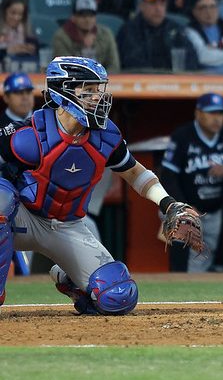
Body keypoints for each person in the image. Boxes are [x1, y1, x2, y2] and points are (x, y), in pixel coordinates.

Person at [0, 56, 203, 312]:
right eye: (89, 90)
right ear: (63, 92)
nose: (98, 97)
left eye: (98, 90)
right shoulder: (28, 134)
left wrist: (169, 203)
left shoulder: (106, 135)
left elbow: (134, 173)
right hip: (23, 219)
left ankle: (69, 279)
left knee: (118, 297)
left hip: (66, 227)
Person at [160, 93, 223, 272]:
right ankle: (175, 285)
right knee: (181, 249)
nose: (217, 118)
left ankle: (194, 296)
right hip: (185, 207)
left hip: (213, 210)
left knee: (202, 259)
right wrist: (182, 207)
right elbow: (168, 177)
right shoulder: (182, 136)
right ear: (198, 113)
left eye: (221, 113)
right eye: (211, 113)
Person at [117, 0, 198, 71]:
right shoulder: (129, 30)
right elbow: (132, 63)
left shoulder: (175, 29)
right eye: (153, 3)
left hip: (175, 81)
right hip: (143, 81)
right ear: (142, 6)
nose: (158, 8)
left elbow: (191, 58)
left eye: (162, 4)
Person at [51, 0, 121, 74]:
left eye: (91, 15)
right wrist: (84, 48)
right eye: (82, 16)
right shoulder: (61, 36)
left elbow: (114, 66)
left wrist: (101, 79)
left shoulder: (106, 34)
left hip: (103, 82)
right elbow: (64, 68)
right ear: (73, 17)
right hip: (73, 83)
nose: (87, 20)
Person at [0, 0, 38, 66]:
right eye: (13, 13)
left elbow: (36, 48)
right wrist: (6, 51)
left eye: (20, 14)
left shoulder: (26, 30)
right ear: (4, 11)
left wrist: (29, 48)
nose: (16, 18)